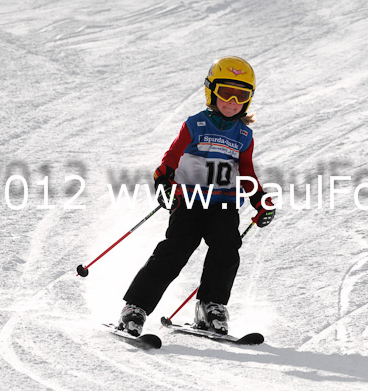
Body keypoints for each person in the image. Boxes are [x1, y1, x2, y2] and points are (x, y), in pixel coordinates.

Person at [117, 56, 275, 337]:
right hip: (189, 202)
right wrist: (164, 180)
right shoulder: (195, 124)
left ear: (249, 100)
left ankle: (210, 306)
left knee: (227, 251)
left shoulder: (244, 135)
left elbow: (247, 172)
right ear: (212, 92)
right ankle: (136, 306)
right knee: (174, 252)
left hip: (224, 204)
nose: (232, 101)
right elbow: (171, 158)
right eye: (226, 93)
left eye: (241, 96)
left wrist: (259, 200)